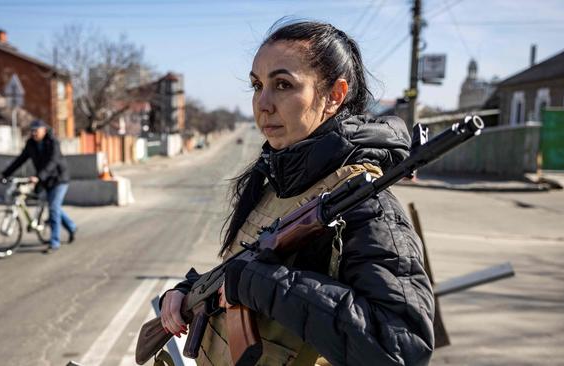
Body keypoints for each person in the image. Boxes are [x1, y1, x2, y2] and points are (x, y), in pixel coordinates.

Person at [160, 20, 434, 366]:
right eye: (257, 85)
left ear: (334, 95)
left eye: (283, 84)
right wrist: (190, 293)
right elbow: (238, 275)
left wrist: (260, 283)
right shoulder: (275, 182)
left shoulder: (366, 203)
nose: (263, 103)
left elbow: (401, 348)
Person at [1, 119, 77, 254]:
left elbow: (53, 162)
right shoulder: (31, 144)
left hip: (59, 179)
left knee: (53, 207)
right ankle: (71, 226)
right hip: (45, 180)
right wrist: (5, 174)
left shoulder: (53, 142)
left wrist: (39, 176)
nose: (34, 133)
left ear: (44, 130)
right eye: (32, 131)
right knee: (55, 207)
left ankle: (54, 242)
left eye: (36, 130)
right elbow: (21, 159)